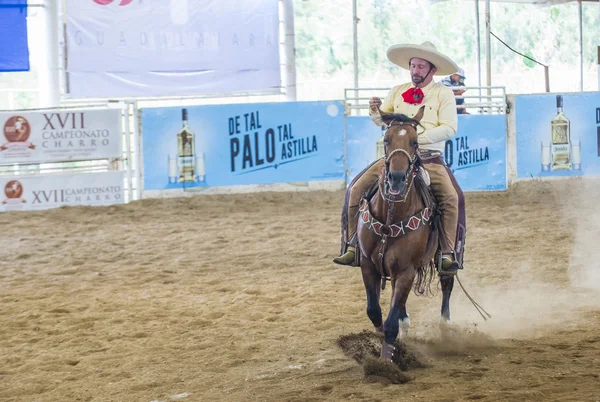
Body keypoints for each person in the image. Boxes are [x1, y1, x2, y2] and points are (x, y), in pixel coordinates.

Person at [333, 41, 466, 273]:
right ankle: (352, 245)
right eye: (413, 66)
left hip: (429, 158)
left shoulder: (443, 94)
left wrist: (414, 138)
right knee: (355, 189)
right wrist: (375, 111)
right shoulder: (397, 90)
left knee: (452, 198)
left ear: (432, 70)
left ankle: (447, 252)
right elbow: (381, 120)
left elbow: (449, 128)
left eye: (421, 67)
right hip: (395, 157)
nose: (415, 70)